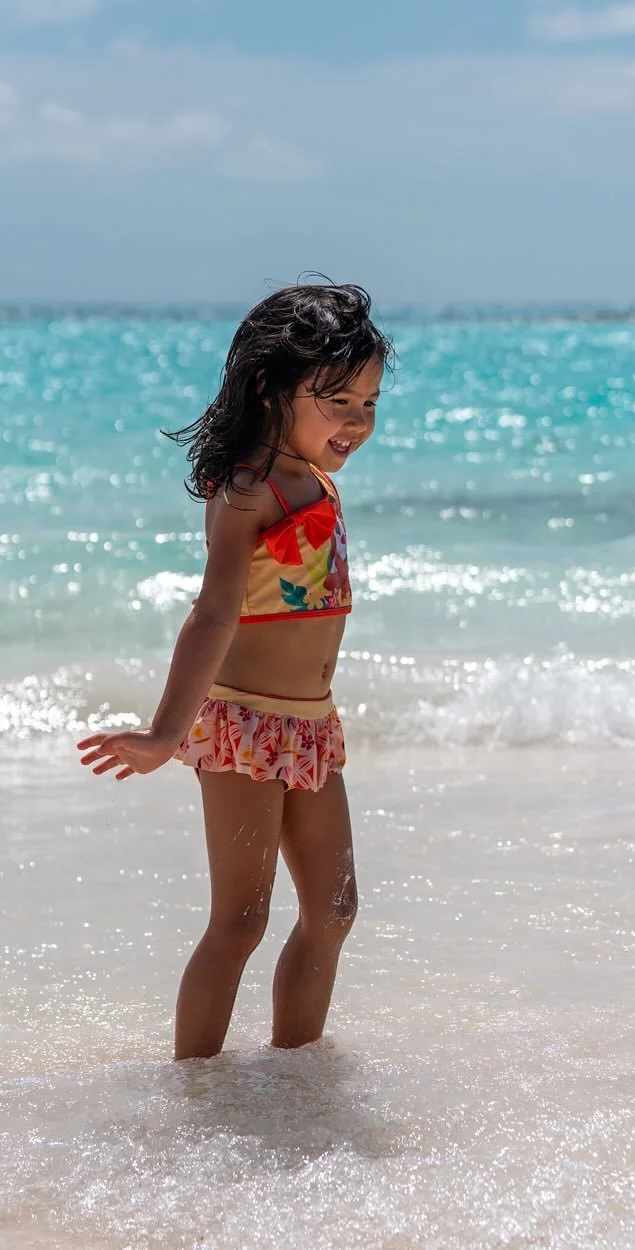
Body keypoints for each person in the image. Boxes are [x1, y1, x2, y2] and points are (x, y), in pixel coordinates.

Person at [77, 282, 392, 1061]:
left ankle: (296, 1070)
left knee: (336, 910)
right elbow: (213, 617)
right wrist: (162, 734)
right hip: (244, 726)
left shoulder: (317, 480)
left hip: (311, 728)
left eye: (369, 402)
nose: (356, 421)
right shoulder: (247, 491)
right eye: (337, 400)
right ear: (270, 389)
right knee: (241, 920)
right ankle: (195, 1082)